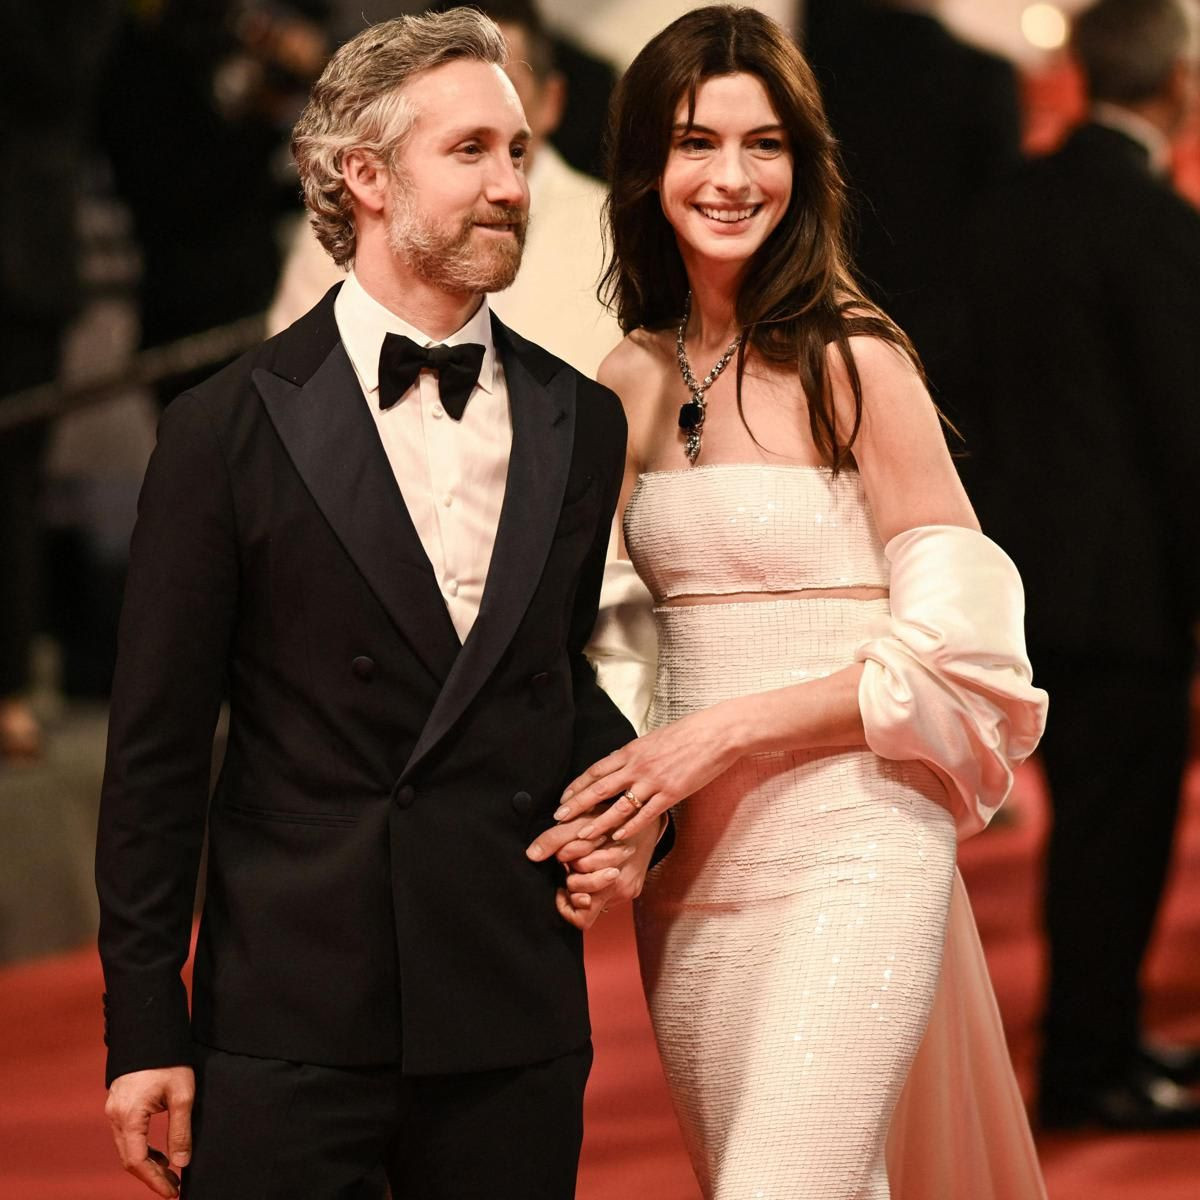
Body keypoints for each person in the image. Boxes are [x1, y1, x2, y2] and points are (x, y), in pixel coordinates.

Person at [95, 11, 667, 1199]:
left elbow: (546, 680)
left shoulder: (583, 419)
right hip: (289, 1018)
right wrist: (146, 1027)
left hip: (509, 1007)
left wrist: (631, 796)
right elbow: (153, 761)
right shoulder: (223, 428)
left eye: (516, 152)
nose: (512, 184)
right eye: (470, 152)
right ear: (363, 175)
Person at [527, 8, 1048, 1198]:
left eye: (764, 145)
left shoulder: (856, 362)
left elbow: (967, 656)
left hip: (858, 844)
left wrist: (720, 731)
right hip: (697, 880)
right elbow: (590, 638)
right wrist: (617, 811)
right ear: (646, 169)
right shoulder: (631, 380)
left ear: (804, 168)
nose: (731, 176)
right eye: (695, 142)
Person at [956, 0, 1200, 1131]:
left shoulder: (1000, 212)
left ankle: (1100, 1043)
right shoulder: (1156, 222)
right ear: (1177, 87)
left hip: (1014, 577)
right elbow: (1182, 429)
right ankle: (1091, 1064)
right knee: (1119, 837)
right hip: (1132, 594)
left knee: (1089, 835)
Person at [267, 0, 621, 380]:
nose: (479, 105)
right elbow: (292, 385)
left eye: (504, 86)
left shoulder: (618, 232)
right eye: (459, 88)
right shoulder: (354, 210)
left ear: (551, 102)